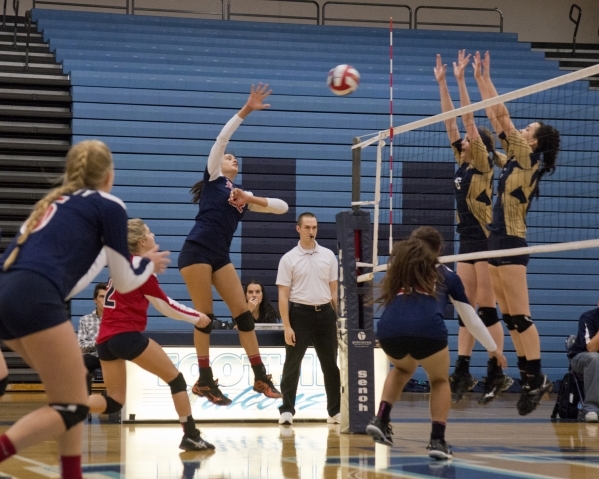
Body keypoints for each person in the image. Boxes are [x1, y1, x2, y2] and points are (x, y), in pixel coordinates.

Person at [0, 140, 169, 479]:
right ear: (109, 175)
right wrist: (148, 264)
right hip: (35, 292)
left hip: (7, 288)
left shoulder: (53, 203)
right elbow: (122, 282)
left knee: (71, 392)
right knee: (74, 404)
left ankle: (71, 473)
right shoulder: (109, 205)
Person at [178, 83, 288, 406]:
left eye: (235, 158)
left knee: (244, 316)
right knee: (206, 317)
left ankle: (260, 376)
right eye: (229, 158)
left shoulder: (241, 196)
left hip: (219, 255)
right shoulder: (214, 177)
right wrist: (247, 109)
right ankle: (204, 380)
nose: (232, 158)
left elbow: (281, 207)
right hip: (196, 250)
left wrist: (250, 197)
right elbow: (221, 139)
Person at [365, 227, 506, 460]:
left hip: (389, 329)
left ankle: (381, 418)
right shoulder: (447, 275)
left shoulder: (397, 270)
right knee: (439, 380)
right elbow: (470, 318)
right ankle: (437, 441)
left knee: (402, 368)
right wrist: (493, 349)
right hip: (427, 329)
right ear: (439, 250)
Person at [474, 50, 560, 415]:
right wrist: (479, 82)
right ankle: (528, 377)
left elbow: (502, 114)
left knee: (521, 317)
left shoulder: (527, 156)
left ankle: (536, 376)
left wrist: (486, 78)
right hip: (496, 240)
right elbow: (496, 119)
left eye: (529, 131)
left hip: (511, 241)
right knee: (509, 318)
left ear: (535, 142)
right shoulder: (514, 158)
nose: (523, 130)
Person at [88, 218, 214, 451]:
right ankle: (191, 435)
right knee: (176, 379)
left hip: (105, 339)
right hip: (126, 335)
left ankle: (72, 406)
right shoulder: (142, 267)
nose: (153, 235)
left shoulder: (122, 265)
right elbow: (164, 305)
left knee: (114, 402)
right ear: (141, 240)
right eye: (149, 232)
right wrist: (198, 317)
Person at [435, 51, 511, 404]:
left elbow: (466, 119)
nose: (461, 141)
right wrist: (442, 84)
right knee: (464, 306)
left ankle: (497, 366)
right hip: (466, 240)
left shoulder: (480, 161)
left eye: (467, 139)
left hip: (485, 238)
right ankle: (463, 369)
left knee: (486, 308)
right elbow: (452, 120)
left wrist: (463, 80)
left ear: (477, 144)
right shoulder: (461, 160)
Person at [276, 212, 340, 426]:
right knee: (292, 364)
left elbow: (334, 291)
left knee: (331, 365)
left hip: (325, 315)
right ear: (298, 229)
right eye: (307, 227)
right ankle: (286, 410)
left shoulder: (329, 256)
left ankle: (335, 411)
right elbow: (283, 295)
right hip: (299, 315)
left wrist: (337, 318)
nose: (311, 231)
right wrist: (287, 326)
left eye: (314, 227)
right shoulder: (289, 259)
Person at [568, 303, 599, 423]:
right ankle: (592, 409)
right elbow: (591, 348)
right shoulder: (588, 317)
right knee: (595, 358)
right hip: (581, 358)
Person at [77, 282, 107, 394]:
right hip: (95, 357)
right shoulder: (85, 320)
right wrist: (97, 342)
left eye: (108, 297)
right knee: (80, 361)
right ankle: (85, 404)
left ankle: (111, 398)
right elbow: (81, 345)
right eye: (101, 296)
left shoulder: (120, 319)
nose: (105, 300)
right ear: (95, 300)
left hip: (114, 357)